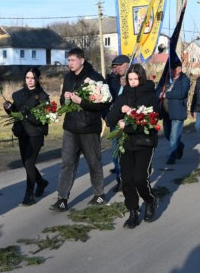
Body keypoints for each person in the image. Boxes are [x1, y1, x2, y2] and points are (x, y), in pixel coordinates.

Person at [50, 47, 110, 212]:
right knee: (67, 163)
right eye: (68, 60)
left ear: (82, 60)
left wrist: (81, 101)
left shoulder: (96, 78)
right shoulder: (68, 78)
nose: (70, 63)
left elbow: (102, 104)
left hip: (89, 127)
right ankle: (62, 199)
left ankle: (99, 195)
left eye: (73, 60)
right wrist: (66, 98)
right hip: (70, 127)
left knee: (93, 162)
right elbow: (63, 100)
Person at [106, 63, 159, 228]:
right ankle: (133, 212)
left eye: (135, 79)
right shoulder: (124, 95)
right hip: (126, 144)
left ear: (141, 79)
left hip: (144, 142)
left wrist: (128, 121)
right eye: (130, 79)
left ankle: (150, 201)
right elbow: (109, 120)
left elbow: (151, 122)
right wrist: (120, 110)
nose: (133, 82)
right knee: (127, 180)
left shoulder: (150, 96)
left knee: (140, 179)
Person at [3, 67, 50, 206]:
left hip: (36, 133)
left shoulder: (43, 97)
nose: (30, 81)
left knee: (29, 163)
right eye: (27, 78)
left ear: (37, 79)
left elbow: (44, 118)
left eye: (33, 78)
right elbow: (15, 114)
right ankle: (41, 182)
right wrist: (9, 109)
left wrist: (27, 115)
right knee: (26, 163)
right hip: (22, 133)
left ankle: (29, 195)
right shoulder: (18, 95)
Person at [156, 60, 190, 165]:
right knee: (167, 134)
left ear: (179, 69)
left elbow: (181, 93)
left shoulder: (184, 80)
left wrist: (166, 94)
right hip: (166, 113)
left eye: (174, 69)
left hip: (178, 112)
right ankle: (179, 146)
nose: (171, 71)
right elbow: (158, 91)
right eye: (170, 69)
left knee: (174, 135)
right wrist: (159, 93)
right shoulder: (166, 79)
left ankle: (172, 155)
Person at [105, 54, 130, 190]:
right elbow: (105, 100)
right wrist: (106, 116)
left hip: (129, 121)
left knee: (128, 152)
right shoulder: (110, 81)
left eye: (119, 65)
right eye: (115, 66)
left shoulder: (134, 78)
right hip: (114, 121)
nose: (117, 68)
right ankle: (120, 180)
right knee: (116, 152)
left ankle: (133, 179)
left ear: (127, 64)